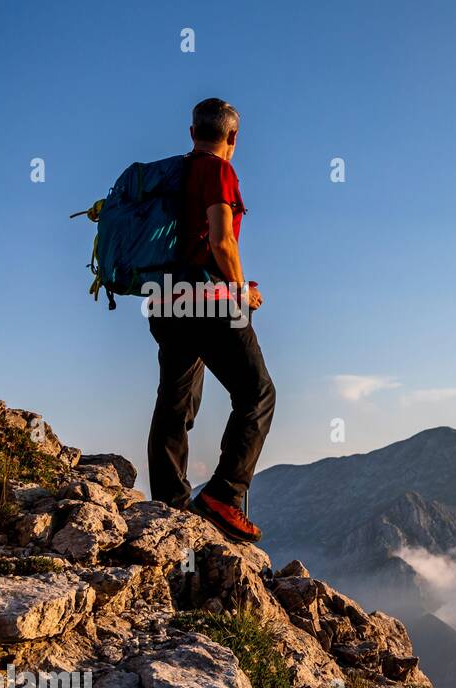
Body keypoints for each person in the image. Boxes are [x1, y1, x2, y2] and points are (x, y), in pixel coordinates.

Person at [146, 98, 273, 543]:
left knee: (176, 399)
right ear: (233, 137)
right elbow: (221, 241)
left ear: (191, 131)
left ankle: (169, 501)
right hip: (207, 300)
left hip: (165, 300)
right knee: (257, 393)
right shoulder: (218, 170)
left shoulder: (174, 175)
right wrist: (241, 291)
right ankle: (225, 494)